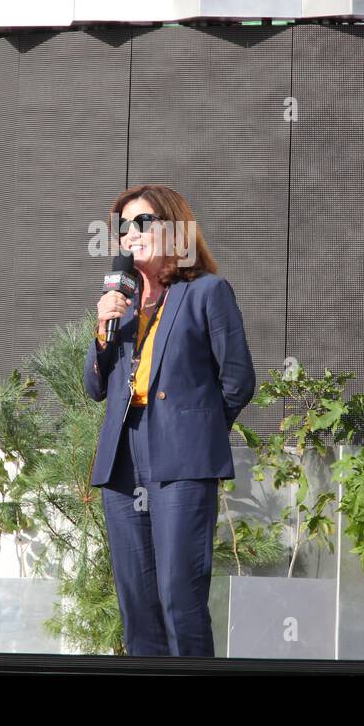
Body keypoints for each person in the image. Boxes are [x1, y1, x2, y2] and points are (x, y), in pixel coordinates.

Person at [83, 184, 256, 657]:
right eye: (124, 227)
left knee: (179, 597)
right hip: (124, 460)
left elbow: (238, 379)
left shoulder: (206, 292)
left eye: (143, 223)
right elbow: (95, 388)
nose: (131, 234)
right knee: (137, 605)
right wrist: (102, 331)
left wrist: (194, 430)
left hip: (182, 457)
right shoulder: (119, 303)